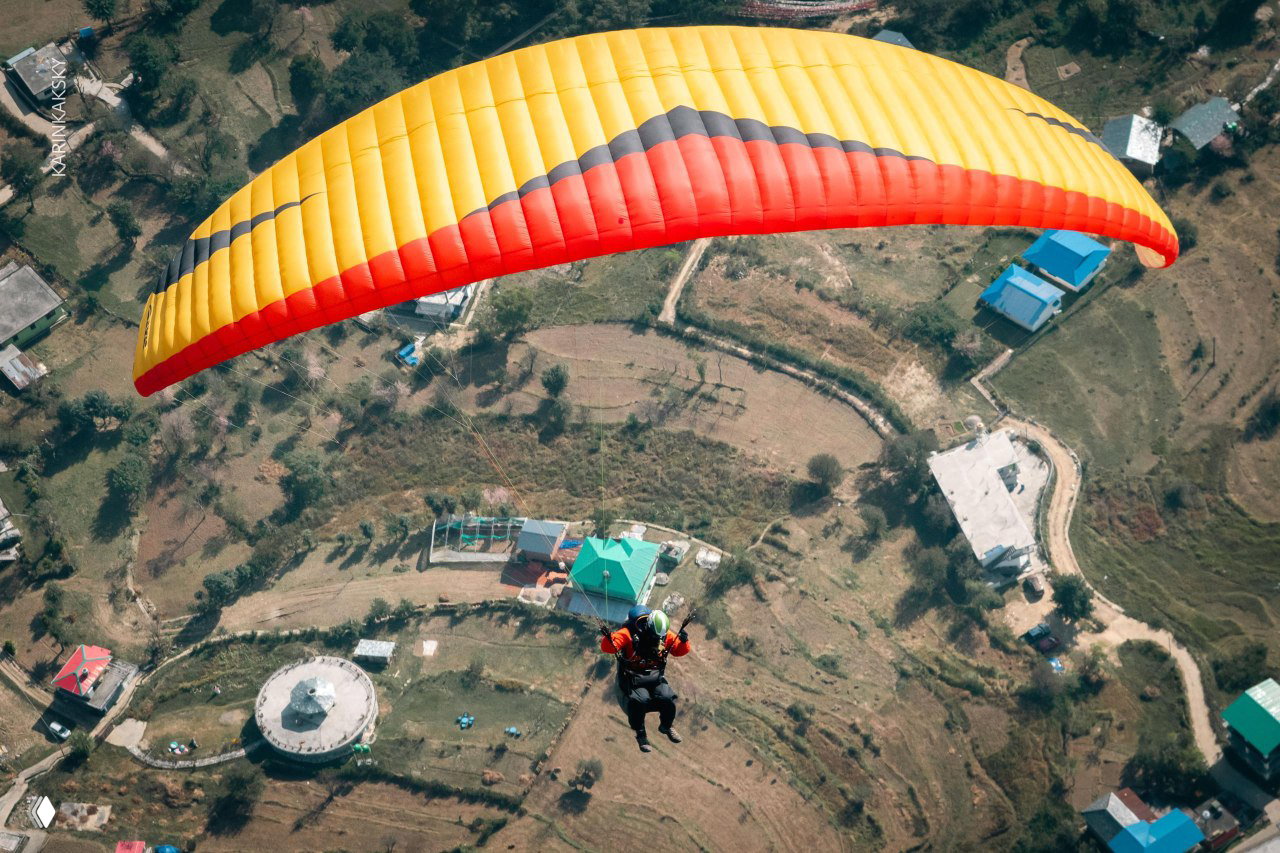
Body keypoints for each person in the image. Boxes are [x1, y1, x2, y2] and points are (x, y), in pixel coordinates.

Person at [600, 605, 691, 753]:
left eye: (661, 636)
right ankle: (641, 734)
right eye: (656, 636)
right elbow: (608, 647)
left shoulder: (663, 635)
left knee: (668, 697)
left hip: (654, 677)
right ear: (648, 627)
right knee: (640, 700)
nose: (658, 639)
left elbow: (679, 650)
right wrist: (609, 639)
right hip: (633, 679)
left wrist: (683, 642)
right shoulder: (629, 633)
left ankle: (666, 726)